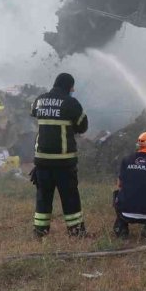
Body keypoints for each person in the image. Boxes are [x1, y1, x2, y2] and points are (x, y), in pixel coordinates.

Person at [30, 73, 89, 238]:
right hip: (63, 162)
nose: (73, 89)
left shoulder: (39, 100)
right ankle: (76, 232)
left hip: (41, 161)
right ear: (68, 86)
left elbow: (34, 113)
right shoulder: (71, 102)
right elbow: (82, 126)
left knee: (43, 197)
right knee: (70, 196)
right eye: (72, 87)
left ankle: (40, 232)